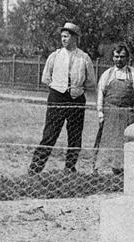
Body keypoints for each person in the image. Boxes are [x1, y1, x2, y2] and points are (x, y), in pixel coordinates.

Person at [29, 22, 96, 174]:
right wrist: (59, 87)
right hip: (56, 98)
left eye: (66, 36)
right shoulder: (55, 56)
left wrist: (76, 88)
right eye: (62, 37)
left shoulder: (84, 58)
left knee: (74, 136)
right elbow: (45, 78)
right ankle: (35, 169)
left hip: (76, 99)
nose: (63, 39)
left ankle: (69, 168)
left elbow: (91, 82)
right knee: (50, 135)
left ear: (74, 38)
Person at [95, 43, 134, 175]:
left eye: (122, 57)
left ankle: (125, 172)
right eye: (116, 57)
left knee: (126, 143)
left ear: (127, 58)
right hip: (110, 115)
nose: (119, 60)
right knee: (107, 142)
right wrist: (100, 113)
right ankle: (104, 172)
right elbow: (100, 93)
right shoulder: (107, 74)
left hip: (128, 115)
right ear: (113, 57)